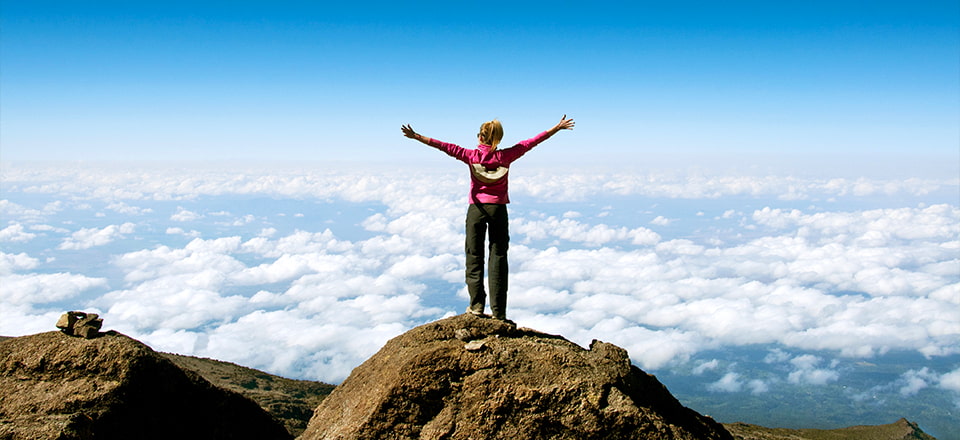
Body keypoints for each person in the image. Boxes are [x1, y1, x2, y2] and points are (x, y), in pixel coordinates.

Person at [401, 115, 575, 321]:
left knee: (474, 256)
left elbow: (443, 146)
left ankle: (476, 306)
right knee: (499, 257)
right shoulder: (506, 156)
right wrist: (556, 127)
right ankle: (499, 312)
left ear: (480, 137)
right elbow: (532, 142)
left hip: (476, 210)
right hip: (498, 210)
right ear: (497, 139)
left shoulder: (469, 155)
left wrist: (416, 136)